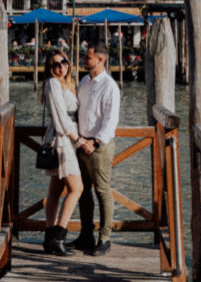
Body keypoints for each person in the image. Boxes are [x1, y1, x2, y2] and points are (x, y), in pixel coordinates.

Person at [72, 44, 120, 256]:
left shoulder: (109, 86)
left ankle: (105, 237)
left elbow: (111, 120)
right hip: (81, 143)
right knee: (83, 192)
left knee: (102, 190)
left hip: (99, 146)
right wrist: (80, 140)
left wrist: (96, 142)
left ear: (100, 59)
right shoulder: (84, 81)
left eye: (88, 56)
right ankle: (86, 234)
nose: (84, 59)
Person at [39, 51, 84, 257]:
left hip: (66, 138)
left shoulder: (67, 83)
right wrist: (78, 139)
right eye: (56, 65)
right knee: (76, 189)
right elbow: (60, 118)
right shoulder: (53, 83)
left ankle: (49, 239)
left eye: (64, 62)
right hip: (63, 140)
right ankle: (58, 237)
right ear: (50, 68)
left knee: (55, 192)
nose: (61, 67)